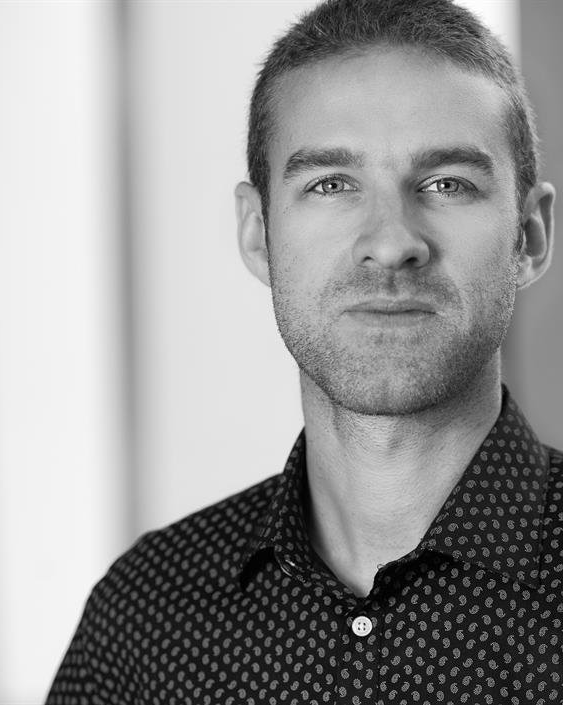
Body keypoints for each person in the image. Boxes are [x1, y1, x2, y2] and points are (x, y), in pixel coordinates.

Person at [46, 0, 561, 703]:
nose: (391, 242)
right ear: (257, 234)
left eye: (447, 184)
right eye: (331, 185)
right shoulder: (143, 616)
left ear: (530, 236)